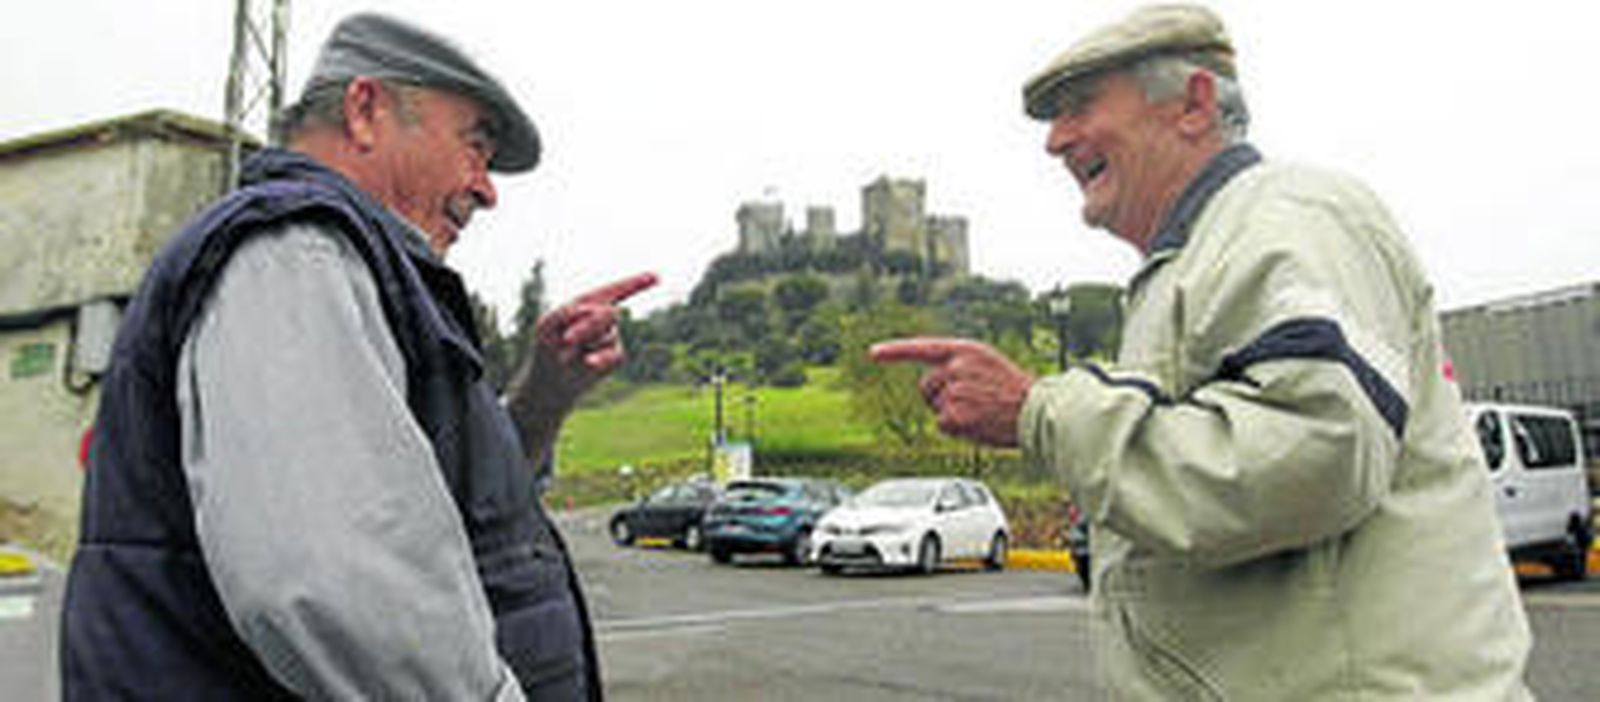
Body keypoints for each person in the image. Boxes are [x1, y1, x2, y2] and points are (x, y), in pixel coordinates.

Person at [872, 4, 1533, 698]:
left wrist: (1036, 412)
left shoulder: (1287, 214)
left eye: (1080, 106)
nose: (1056, 140)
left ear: (1192, 104)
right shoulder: (1199, 258)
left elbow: (1316, 455)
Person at [60, 13, 650, 700]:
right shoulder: (293, 251)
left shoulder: (352, 270)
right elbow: (334, 584)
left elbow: (454, 506)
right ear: (365, 110)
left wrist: (546, 391)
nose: (486, 189)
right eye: (475, 145)